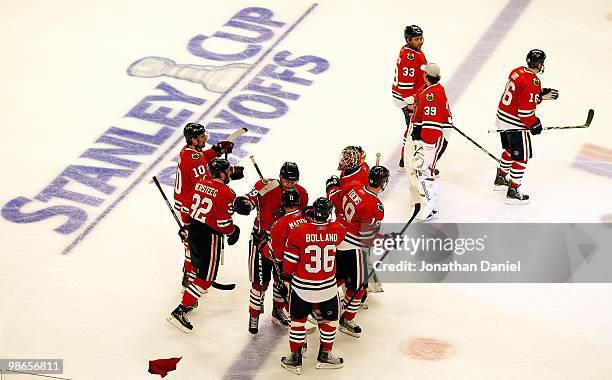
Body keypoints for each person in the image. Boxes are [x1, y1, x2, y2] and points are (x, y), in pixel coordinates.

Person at [233, 162, 309, 335]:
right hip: (262, 239)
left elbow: (300, 217)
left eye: (293, 181)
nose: (290, 184)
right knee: (259, 282)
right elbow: (250, 199)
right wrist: (244, 203)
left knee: (281, 280)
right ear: (280, 176)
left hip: (285, 242)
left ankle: (278, 310)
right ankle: (254, 315)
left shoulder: (302, 193)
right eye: (286, 181)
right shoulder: (265, 186)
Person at [168, 158, 242, 332]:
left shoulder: (200, 184)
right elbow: (223, 224)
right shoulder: (227, 192)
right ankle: (181, 309)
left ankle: (190, 298)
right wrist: (233, 232)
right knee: (206, 278)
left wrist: (186, 227)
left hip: (193, 230)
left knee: (196, 266)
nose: (230, 174)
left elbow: (185, 208)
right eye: (228, 171)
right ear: (222, 173)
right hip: (210, 237)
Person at [280, 197, 347, 375]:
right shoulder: (338, 229)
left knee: (297, 322)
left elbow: (289, 261)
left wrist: (285, 279)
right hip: (328, 289)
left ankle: (295, 358)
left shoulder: (298, 231)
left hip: (302, 288)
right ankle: (325, 354)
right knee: (330, 321)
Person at [325, 166, 389, 337]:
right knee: (359, 287)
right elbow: (368, 238)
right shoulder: (375, 206)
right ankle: (346, 318)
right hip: (353, 248)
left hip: (336, 239)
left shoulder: (353, 185)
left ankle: (316, 308)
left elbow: (335, 199)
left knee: (336, 279)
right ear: (383, 183)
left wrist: (331, 186)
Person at [173, 123, 235, 289]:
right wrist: (229, 173)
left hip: (188, 202)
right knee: (190, 241)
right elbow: (207, 182)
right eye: (201, 137)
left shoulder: (189, 152)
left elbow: (202, 159)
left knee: (191, 240)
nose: (205, 138)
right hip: (188, 206)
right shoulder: (193, 157)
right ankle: (190, 275)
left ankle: (192, 273)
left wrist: (216, 150)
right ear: (193, 140)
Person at [494, 49, 559, 204]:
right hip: (515, 123)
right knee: (522, 157)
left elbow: (520, 95)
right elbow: (525, 113)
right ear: (540, 63)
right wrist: (534, 124)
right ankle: (513, 191)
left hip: (502, 118)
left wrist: (539, 95)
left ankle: (501, 177)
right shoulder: (533, 82)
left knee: (509, 150)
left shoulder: (517, 71)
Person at [408, 63, 453, 221]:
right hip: (432, 133)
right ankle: (427, 200)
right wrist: (418, 127)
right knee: (423, 168)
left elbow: (434, 122)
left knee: (426, 169)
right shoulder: (431, 91)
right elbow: (422, 114)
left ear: (427, 76)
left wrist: (425, 139)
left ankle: (432, 207)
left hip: (435, 135)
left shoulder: (432, 94)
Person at [391, 25, 427, 169]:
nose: (420, 42)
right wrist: (411, 103)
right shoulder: (410, 56)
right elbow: (405, 84)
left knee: (413, 126)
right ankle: (406, 157)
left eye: (421, 38)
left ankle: (406, 156)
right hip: (406, 98)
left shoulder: (411, 51)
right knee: (412, 127)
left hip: (409, 96)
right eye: (416, 39)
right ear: (408, 40)